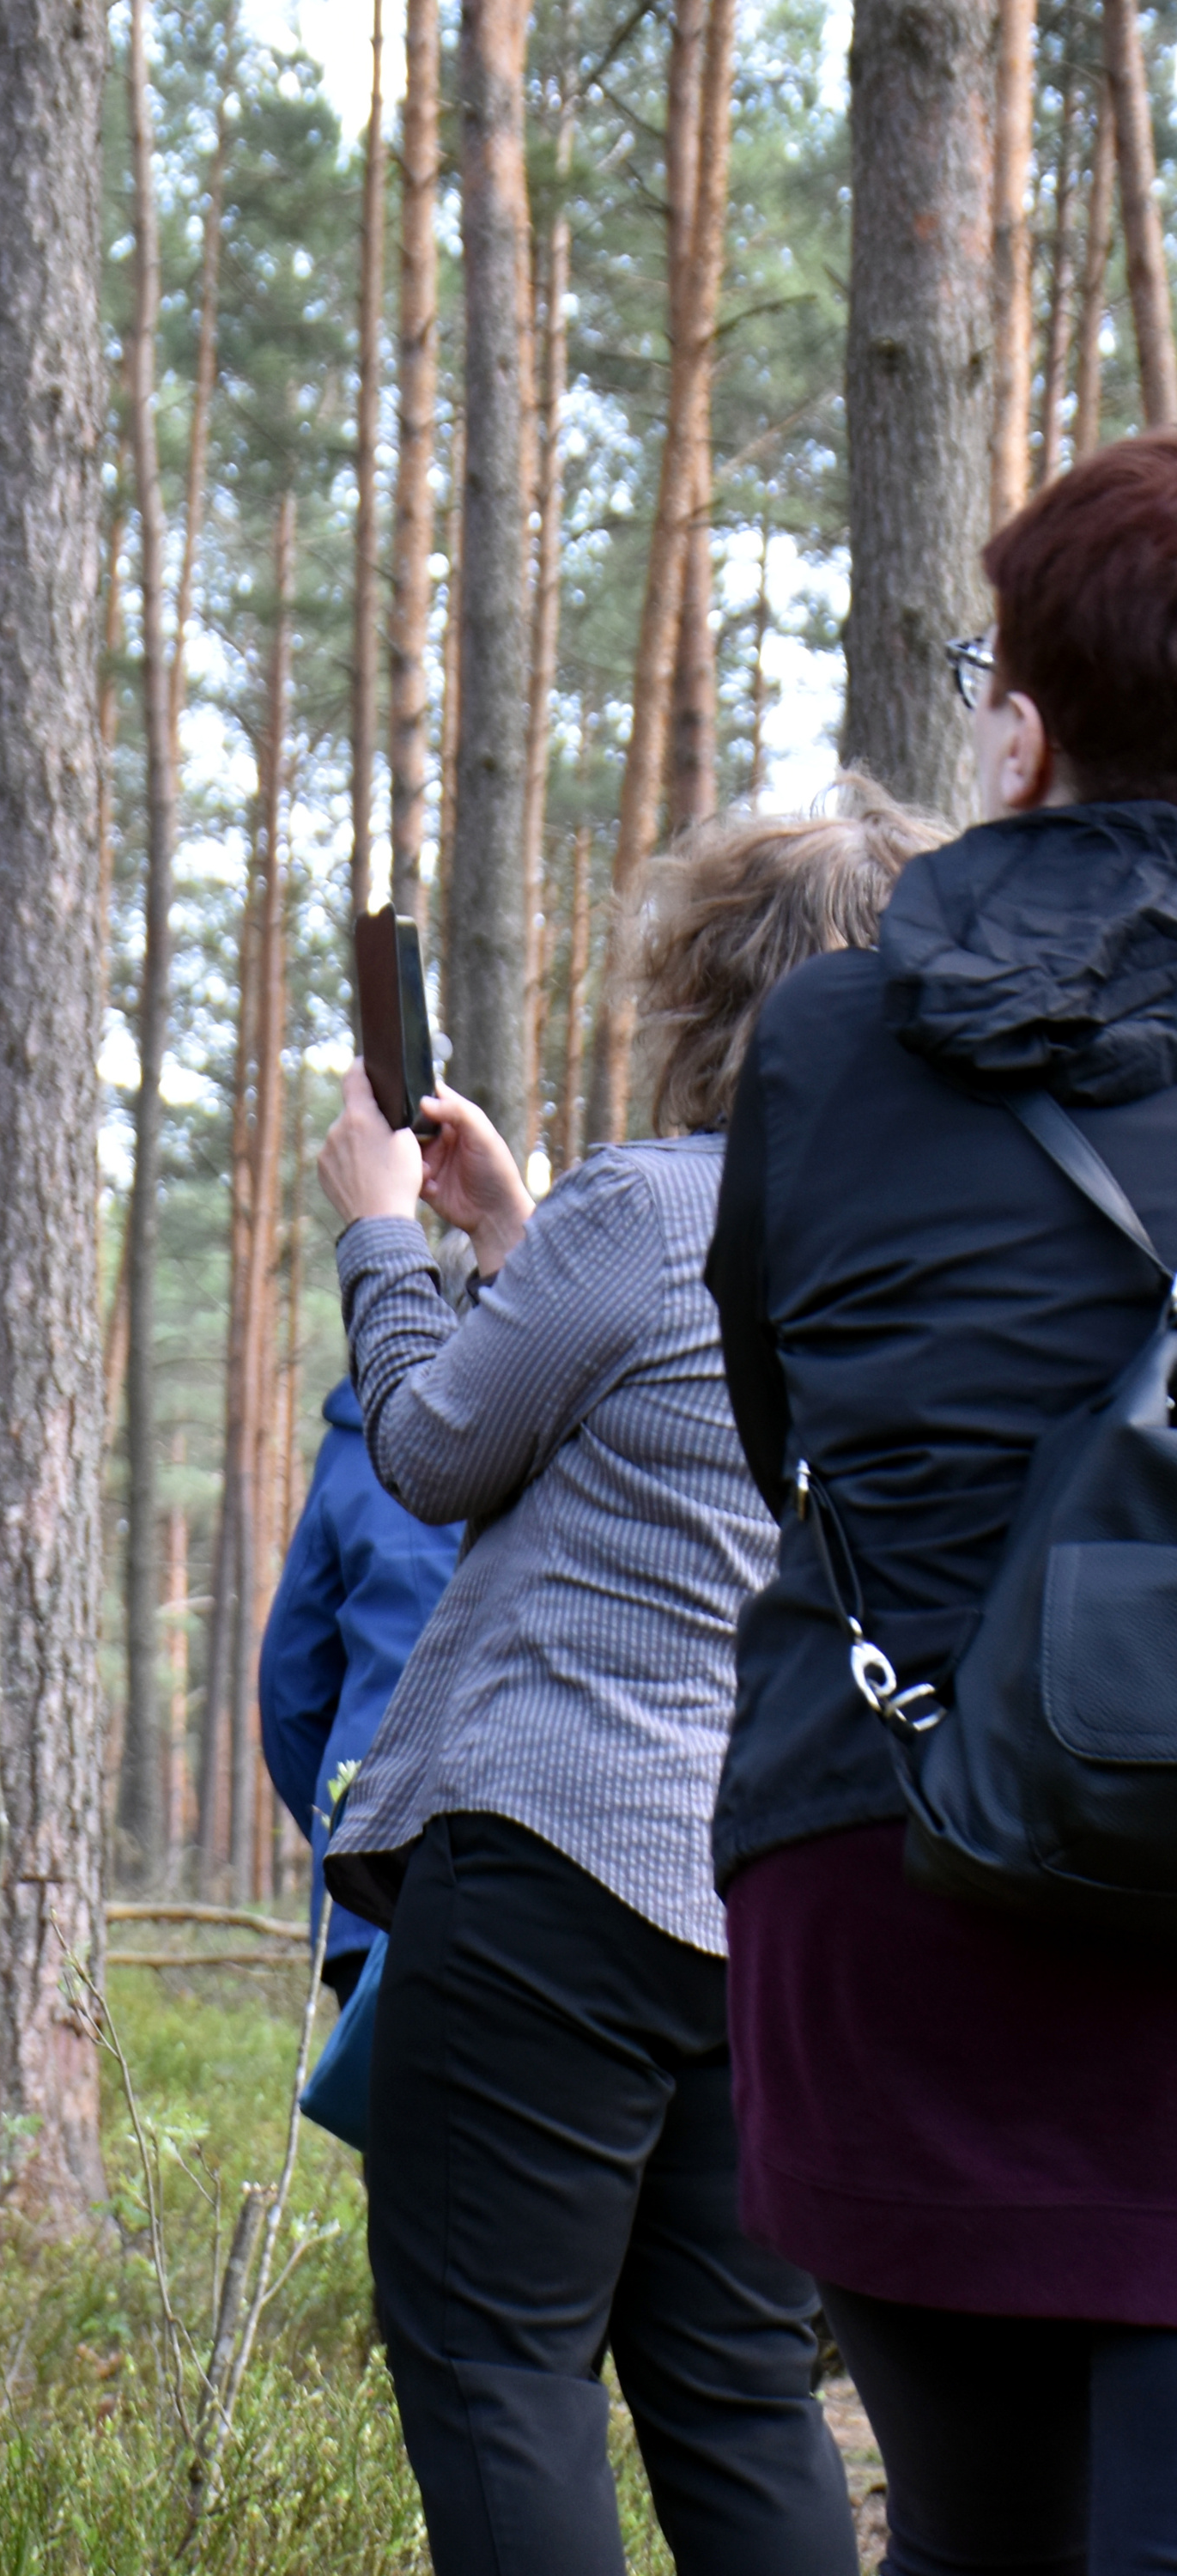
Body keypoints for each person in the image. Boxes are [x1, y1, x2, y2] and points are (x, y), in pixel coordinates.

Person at [312, 782, 944, 2576]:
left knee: (496, 2366)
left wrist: (380, 1233)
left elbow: (437, 1449)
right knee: (739, 2385)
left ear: (704, 991)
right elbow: (672, 1422)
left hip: (552, 1873)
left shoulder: (653, 1211)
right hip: (779, 1898)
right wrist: (514, 1233)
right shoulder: (924, 1259)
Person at [706, 433, 1177, 2574]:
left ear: (1017, 718)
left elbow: (772, 1433)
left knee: (969, 2528)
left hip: (890, 1854)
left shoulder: (813, 1047)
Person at [259, 1373, 461, 2002]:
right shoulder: (560, 1421)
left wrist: (339, 1825)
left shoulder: (355, 1446)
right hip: (541, 1869)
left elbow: (290, 1685)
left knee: (387, 2098)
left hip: (371, 1867)